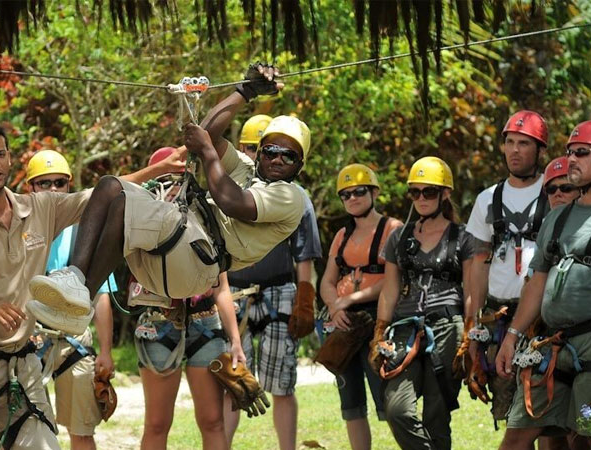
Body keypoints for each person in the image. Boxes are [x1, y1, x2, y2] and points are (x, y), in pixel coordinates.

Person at [0, 124, 175, 449]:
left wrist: (162, 168)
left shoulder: (40, 208)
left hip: (22, 367)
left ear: (10, 158)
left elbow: (107, 193)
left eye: (0, 154)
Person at [27, 64, 308, 360]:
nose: (277, 159)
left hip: (198, 261)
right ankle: (77, 283)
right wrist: (244, 92)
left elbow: (231, 200)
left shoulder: (290, 196)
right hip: (175, 251)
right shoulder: (246, 169)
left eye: (288, 155)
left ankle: (81, 297)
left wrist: (209, 152)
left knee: (124, 204)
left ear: (299, 165)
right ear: (261, 151)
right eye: (270, 151)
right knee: (109, 186)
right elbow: (204, 136)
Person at [495, 120, 591, 450]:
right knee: (515, 440)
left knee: (589, 441)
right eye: (570, 152)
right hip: (552, 347)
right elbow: (536, 281)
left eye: (582, 153)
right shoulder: (556, 218)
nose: (572, 159)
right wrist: (512, 336)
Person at [124, 147, 245, 450]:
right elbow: (112, 186)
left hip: (206, 322)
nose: (174, 186)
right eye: (164, 178)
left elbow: (222, 287)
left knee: (213, 420)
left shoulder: (205, 218)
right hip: (158, 320)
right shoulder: (138, 220)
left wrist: (235, 341)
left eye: (180, 178)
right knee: (157, 422)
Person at [222, 124, 323, 450]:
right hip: (234, 291)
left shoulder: (295, 196)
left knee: (282, 384)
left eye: (285, 154)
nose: (269, 157)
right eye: (260, 149)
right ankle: (220, 445)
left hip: (279, 291)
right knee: (232, 382)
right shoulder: (236, 186)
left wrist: (305, 300)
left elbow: (304, 254)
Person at [370, 156, 477, 450]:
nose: (421, 198)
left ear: (445, 194)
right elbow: (389, 290)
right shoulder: (398, 237)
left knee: (436, 416)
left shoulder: (463, 236)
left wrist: (471, 336)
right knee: (397, 409)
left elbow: (471, 290)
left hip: (448, 328)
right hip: (405, 329)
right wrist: (380, 332)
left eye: (428, 191)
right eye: (414, 192)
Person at [22, 150, 117, 450]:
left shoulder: (85, 236)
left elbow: (101, 298)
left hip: (76, 342)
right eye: (44, 183)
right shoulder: (19, 234)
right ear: (30, 188)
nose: (53, 190)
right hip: (30, 342)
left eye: (59, 183)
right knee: (28, 430)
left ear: (69, 186)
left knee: (82, 432)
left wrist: (106, 351)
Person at [462, 111, 549, 428]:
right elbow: (478, 266)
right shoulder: (488, 199)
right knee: (511, 414)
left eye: (523, 143)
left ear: (540, 150)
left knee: (547, 415)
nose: (514, 150)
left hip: (544, 319)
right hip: (499, 317)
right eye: (509, 142)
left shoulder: (554, 194)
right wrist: (473, 327)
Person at [318, 164, 402, 450]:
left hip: (377, 318)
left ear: (374, 192)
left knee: (388, 399)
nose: (352, 198)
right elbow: (327, 281)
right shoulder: (342, 235)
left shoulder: (393, 229)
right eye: (346, 194)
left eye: (359, 191)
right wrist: (335, 306)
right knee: (350, 400)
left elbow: (393, 279)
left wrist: (351, 299)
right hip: (342, 321)